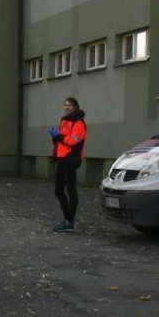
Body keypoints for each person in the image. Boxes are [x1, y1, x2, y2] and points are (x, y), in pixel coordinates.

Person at [49, 97, 87, 232]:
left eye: (69, 105)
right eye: (65, 105)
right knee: (58, 190)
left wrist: (58, 136)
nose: (67, 107)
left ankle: (69, 221)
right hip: (61, 158)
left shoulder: (79, 123)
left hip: (70, 159)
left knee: (71, 191)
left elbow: (72, 141)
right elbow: (61, 140)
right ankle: (67, 219)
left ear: (75, 106)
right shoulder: (65, 120)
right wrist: (55, 136)